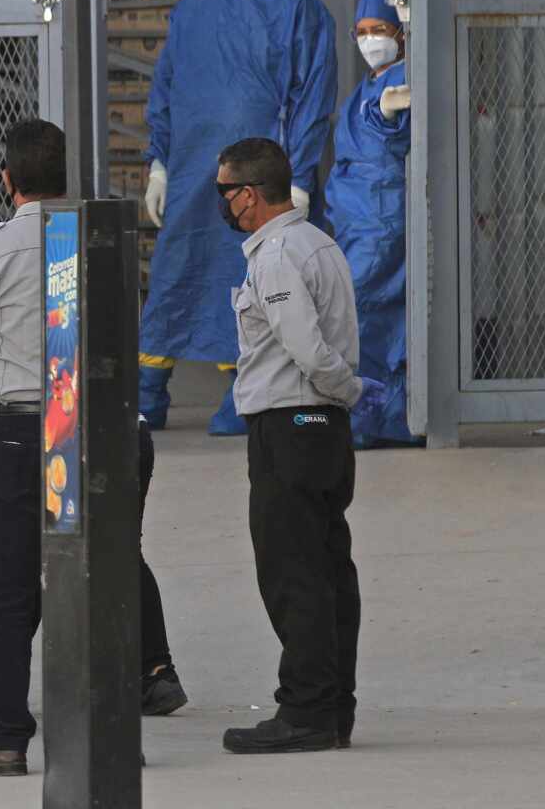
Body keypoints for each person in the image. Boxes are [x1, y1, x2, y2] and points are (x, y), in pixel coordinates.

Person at [0, 121, 185, 777]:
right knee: (101, 581)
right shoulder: (98, 233)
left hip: (25, 430)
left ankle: (4, 739)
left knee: (13, 592)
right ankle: (112, 733)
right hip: (106, 428)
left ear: (8, 180)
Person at [139, 0, 338, 436]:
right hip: (191, 169)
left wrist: (295, 178)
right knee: (175, 270)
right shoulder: (193, 10)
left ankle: (241, 393)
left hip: (262, 176)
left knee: (250, 279)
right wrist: (159, 162)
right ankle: (146, 395)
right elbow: (167, 87)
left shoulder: (298, 7)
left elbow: (312, 96)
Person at [215, 138, 385, 754]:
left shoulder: (279, 254)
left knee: (294, 575)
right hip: (320, 431)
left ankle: (306, 711)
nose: (221, 204)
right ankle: (332, 707)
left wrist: (349, 389)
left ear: (249, 195)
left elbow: (308, 350)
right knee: (329, 571)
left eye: (223, 191)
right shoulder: (317, 242)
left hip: (293, 425)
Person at [327, 0, 416, 448]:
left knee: (362, 316)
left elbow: (392, 135)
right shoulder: (368, 85)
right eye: (361, 32)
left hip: (380, 219)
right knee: (381, 320)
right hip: (358, 218)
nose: (369, 40)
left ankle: (376, 420)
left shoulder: (402, 79)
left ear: (400, 35)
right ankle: (388, 420)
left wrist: (386, 115)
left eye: (378, 31)